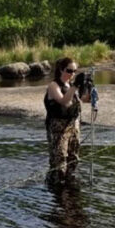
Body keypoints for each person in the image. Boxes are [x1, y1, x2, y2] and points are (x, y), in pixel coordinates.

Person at [44, 57, 89, 185]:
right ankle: (55, 188)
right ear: (61, 69)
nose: (72, 74)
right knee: (59, 160)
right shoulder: (54, 86)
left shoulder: (71, 86)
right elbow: (64, 101)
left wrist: (89, 88)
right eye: (69, 71)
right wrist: (75, 86)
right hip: (58, 128)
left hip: (73, 125)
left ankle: (69, 184)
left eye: (75, 71)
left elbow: (85, 99)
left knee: (73, 158)